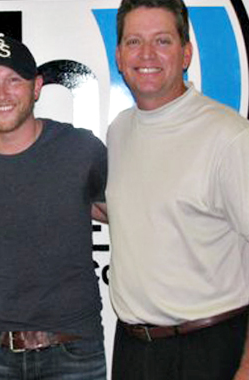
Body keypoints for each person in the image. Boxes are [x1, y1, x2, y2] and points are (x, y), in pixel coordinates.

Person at [0, 35, 108, 380]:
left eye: (13, 80)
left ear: (36, 87)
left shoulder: (81, 149)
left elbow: (124, 214)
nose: (1, 94)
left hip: (73, 353)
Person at [106, 0, 249, 379]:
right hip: (134, 351)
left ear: (186, 53)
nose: (147, 54)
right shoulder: (119, 131)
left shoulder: (228, 137)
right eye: (134, 42)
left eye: (163, 41)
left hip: (211, 349)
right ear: (119, 56)